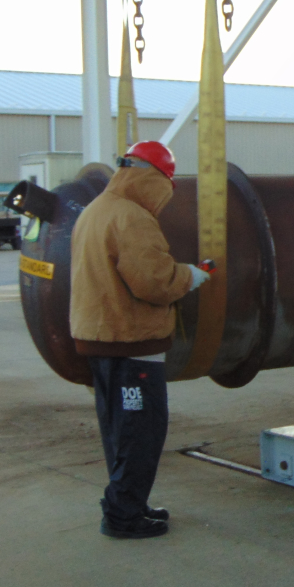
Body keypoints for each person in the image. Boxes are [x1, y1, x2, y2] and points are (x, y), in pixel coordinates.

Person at [69, 140, 211, 539]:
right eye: (167, 182)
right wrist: (191, 276)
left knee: (120, 431)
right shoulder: (132, 218)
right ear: (154, 180)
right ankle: (123, 517)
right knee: (141, 432)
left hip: (100, 337)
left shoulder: (97, 210)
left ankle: (129, 503)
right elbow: (153, 282)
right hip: (130, 343)